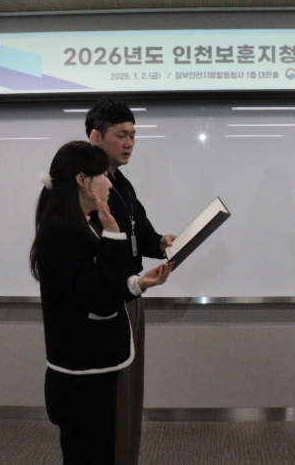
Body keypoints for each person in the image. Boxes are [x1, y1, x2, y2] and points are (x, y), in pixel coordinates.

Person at [30, 141, 171, 464]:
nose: (109, 183)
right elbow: (101, 301)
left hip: (93, 369)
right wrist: (113, 235)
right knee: (88, 455)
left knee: (99, 452)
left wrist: (137, 283)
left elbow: (95, 287)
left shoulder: (79, 224)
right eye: (103, 176)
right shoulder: (62, 232)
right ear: (82, 180)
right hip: (81, 374)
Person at [85, 100, 176, 465]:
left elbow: (141, 233)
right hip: (108, 303)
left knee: (130, 395)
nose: (129, 143)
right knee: (112, 399)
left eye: (133, 135)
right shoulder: (87, 187)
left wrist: (162, 243)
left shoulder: (123, 184)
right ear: (96, 137)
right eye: (121, 135)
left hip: (133, 295)